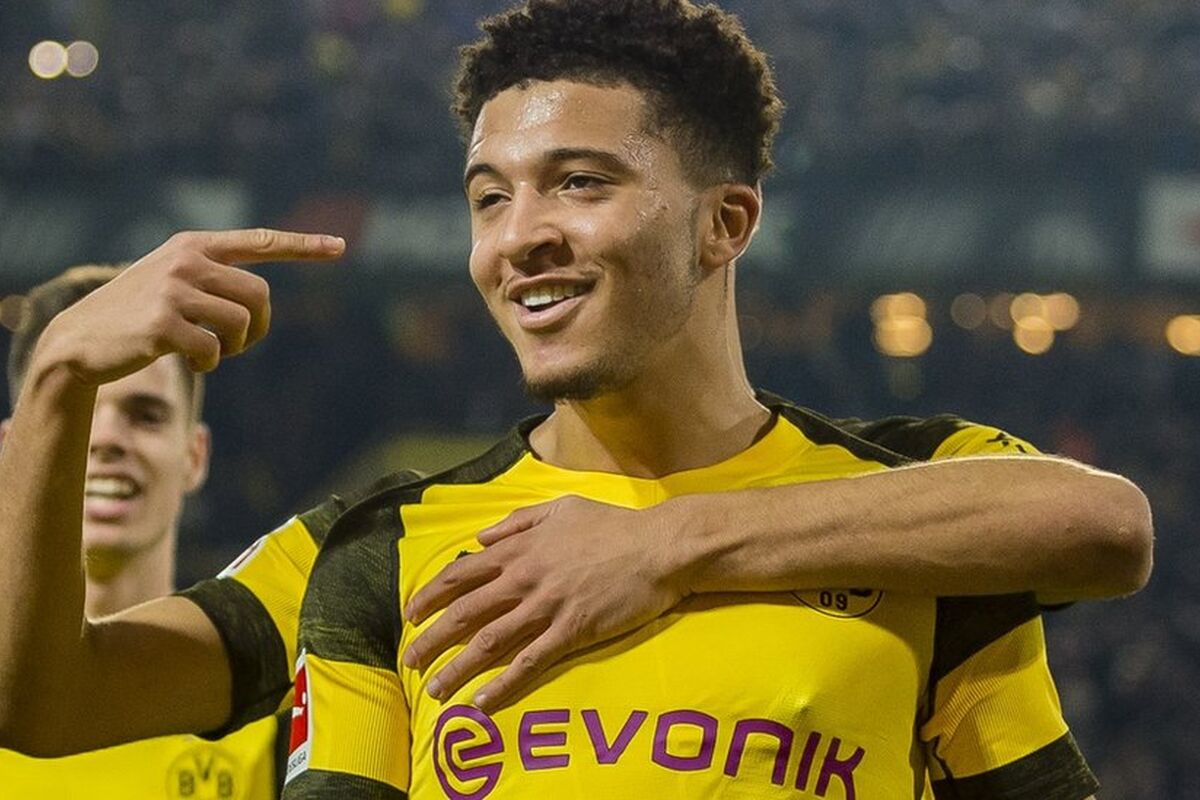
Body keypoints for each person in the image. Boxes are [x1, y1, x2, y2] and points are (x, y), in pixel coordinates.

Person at [0, 1, 1151, 798]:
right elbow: (47, 703)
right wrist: (55, 385)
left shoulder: (914, 506)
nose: (519, 236)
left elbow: (1105, 524)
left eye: (580, 182)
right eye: (488, 197)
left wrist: (667, 542)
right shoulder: (379, 549)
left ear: (724, 223)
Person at [0, 266, 287, 798]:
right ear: (12, 454)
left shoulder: (269, 705)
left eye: (146, 415)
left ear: (195, 456)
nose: (107, 438)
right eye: (76, 412)